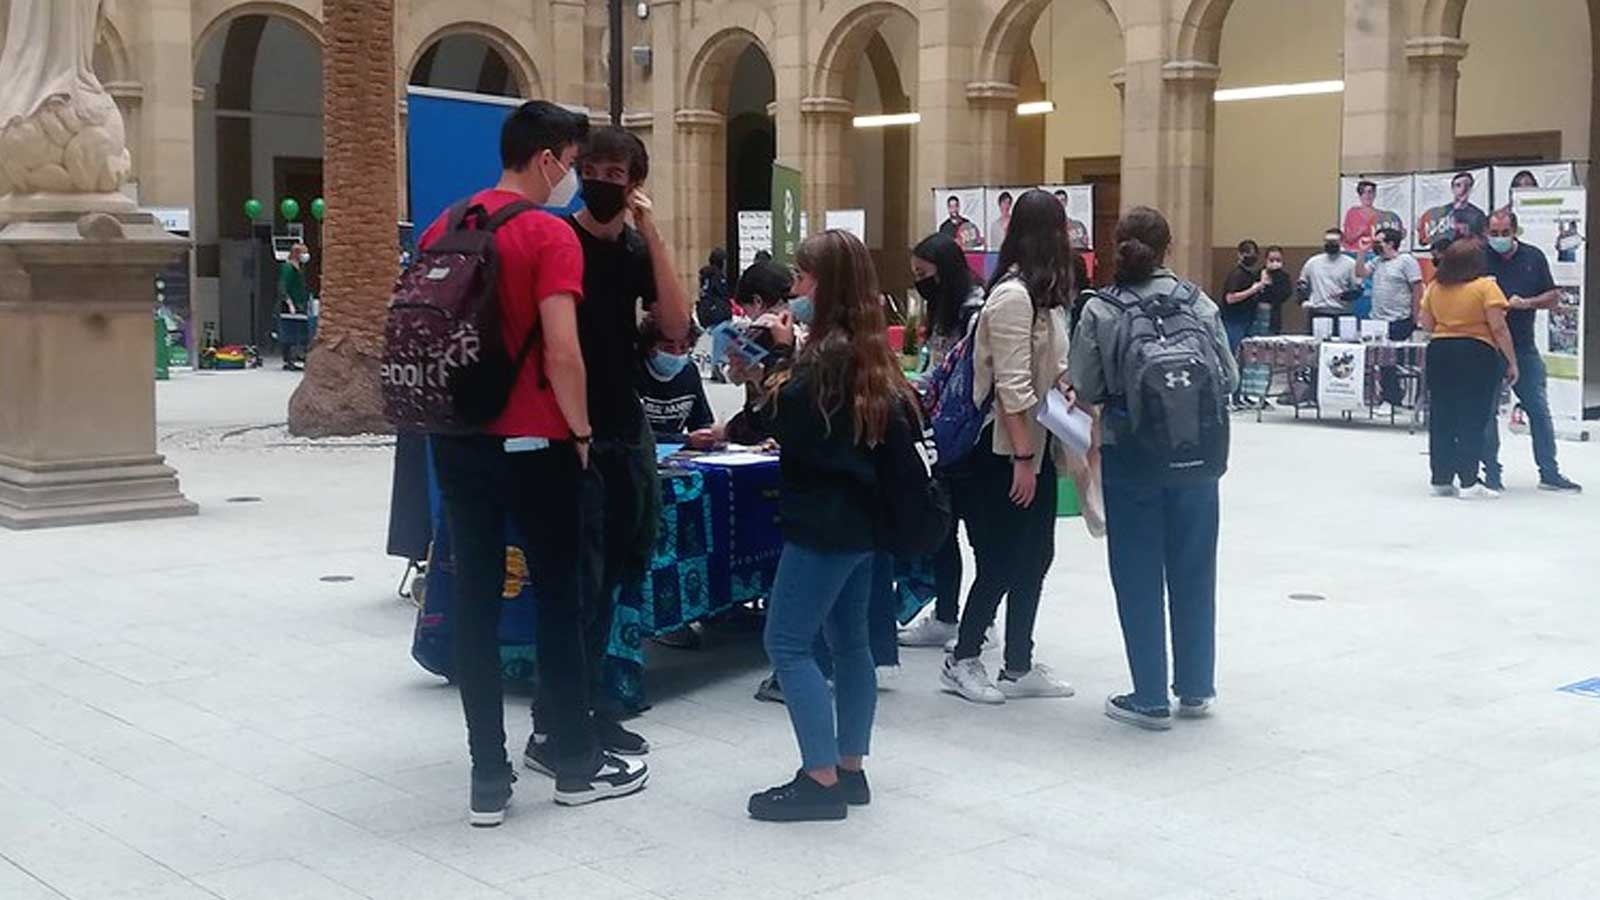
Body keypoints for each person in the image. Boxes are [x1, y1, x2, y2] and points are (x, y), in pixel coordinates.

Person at [421, 101, 646, 825]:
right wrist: (579, 430)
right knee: (559, 599)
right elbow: (562, 348)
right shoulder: (549, 237)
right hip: (538, 445)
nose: (573, 178)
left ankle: (488, 778)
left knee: (478, 604)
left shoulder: (444, 225)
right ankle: (574, 765)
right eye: (572, 163)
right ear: (548, 157)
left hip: (457, 441)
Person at [521, 126, 692, 776]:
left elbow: (675, 326)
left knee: (615, 575)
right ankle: (551, 724)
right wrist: (577, 432)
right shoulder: (556, 239)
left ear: (634, 183)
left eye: (615, 172)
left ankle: (586, 707)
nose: (599, 179)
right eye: (589, 167)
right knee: (576, 587)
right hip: (572, 434)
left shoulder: (631, 245)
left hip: (625, 431)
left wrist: (652, 233)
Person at [745, 229, 922, 822]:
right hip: (864, 526)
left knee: (788, 643)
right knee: (852, 646)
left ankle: (818, 778)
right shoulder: (870, 354)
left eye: (799, 279)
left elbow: (774, 418)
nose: (792, 290)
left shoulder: (819, 362)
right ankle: (850, 767)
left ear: (821, 285)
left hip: (821, 523)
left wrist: (770, 357)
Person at [1070, 206, 1238, 731]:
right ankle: (1194, 688)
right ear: (1169, 246)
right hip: (1198, 461)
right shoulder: (1200, 302)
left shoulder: (1101, 309)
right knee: (1195, 570)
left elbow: (1087, 386)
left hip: (1132, 459)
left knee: (1138, 573)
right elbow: (1229, 378)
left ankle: (1148, 696)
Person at [939, 189, 1076, 705]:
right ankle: (963, 657)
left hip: (1034, 448)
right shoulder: (1012, 297)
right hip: (1000, 453)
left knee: (1037, 554)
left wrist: (1068, 389)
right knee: (999, 558)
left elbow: (1047, 371)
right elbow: (1012, 388)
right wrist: (1023, 460)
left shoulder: (1044, 298)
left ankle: (1018, 664)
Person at [898, 232, 987, 649]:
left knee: (979, 534)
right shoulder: (942, 309)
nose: (919, 281)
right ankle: (948, 615)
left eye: (923, 273)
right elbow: (936, 365)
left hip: (970, 437)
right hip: (939, 432)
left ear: (945, 270)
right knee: (944, 529)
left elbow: (968, 376)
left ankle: (977, 621)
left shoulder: (975, 312)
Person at [1481, 210, 1582, 492]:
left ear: (1515, 231)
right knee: (1486, 411)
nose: (1498, 239)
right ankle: (1491, 473)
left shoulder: (1533, 257)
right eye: (1494, 233)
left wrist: (1526, 303)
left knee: (1538, 408)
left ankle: (1549, 472)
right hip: (1487, 345)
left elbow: (1553, 296)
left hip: (1523, 343)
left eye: (1504, 233)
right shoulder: (1480, 257)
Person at [1418, 238, 1518, 499]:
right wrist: (1511, 360)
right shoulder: (1486, 287)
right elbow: (1499, 327)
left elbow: (1426, 324)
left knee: (1442, 415)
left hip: (1440, 351)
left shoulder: (1434, 287)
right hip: (1476, 351)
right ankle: (1469, 481)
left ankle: (1441, 479)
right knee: (1473, 416)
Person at [1355, 227, 1424, 406]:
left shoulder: (1406, 261)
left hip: (1399, 319)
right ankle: (1386, 395)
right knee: (1378, 358)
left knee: (1390, 359)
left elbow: (1417, 289)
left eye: (1379, 242)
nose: (1375, 245)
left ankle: (1392, 397)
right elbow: (1360, 273)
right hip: (1377, 320)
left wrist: (1416, 316)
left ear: (1391, 244)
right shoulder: (1377, 261)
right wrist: (1362, 252)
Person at [636, 315, 713, 441]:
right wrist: (683, 440)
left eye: (684, 348)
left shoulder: (689, 371)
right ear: (649, 348)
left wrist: (710, 435)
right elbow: (629, 435)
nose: (677, 354)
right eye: (668, 348)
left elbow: (700, 422)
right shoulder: (632, 372)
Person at [1220, 239, 1267, 407]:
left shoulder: (1250, 274)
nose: (1250, 256)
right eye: (1246, 252)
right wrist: (1254, 289)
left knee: (1243, 361)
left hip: (1246, 320)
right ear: (1239, 254)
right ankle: (1228, 398)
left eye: (1253, 253)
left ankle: (1240, 396)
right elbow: (1230, 298)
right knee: (1232, 359)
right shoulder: (1237, 274)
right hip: (1234, 321)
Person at [1297, 228, 1360, 330]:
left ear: (1341, 243)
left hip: (1343, 314)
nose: (1330, 244)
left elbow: (1358, 290)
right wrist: (1302, 300)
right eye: (1327, 241)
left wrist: (1344, 296)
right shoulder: (1313, 262)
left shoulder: (1350, 264)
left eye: (1334, 242)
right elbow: (1301, 284)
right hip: (1318, 313)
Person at [1419, 171, 1488, 245]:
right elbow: (1425, 241)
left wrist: (1469, 235)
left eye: (1467, 185)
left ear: (1471, 188)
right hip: (1445, 255)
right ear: (1452, 188)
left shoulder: (1478, 215)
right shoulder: (1441, 212)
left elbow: (1484, 241)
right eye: (1458, 185)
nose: (1463, 189)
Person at [1341, 180, 1404, 252]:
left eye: (1370, 192)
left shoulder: (1381, 214)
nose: (1367, 195)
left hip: (1375, 252)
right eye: (1363, 192)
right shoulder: (1352, 213)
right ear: (1359, 195)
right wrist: (1362, 231)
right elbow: (1348, 238)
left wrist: (1398, 233)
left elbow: (1388, 235)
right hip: (1355, 252)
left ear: (1374, 194)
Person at [277, 243, 311, 370]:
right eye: (303, 252)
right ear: (296, 253)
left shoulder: (299, 267)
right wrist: (290, 303)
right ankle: (288, 358)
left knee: (299, 330)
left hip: (299, 304)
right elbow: (283, 286)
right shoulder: (288, 267)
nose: (306, 256)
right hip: (289, 306)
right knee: (289, 331)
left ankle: (297, 355)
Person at [697, 247, 733, 328]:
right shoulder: (717, 275)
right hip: (717, 314)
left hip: (704, 312)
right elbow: (723, 293)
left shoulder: (705, 274)